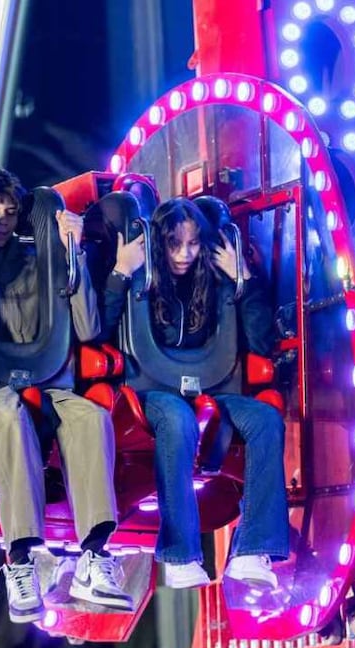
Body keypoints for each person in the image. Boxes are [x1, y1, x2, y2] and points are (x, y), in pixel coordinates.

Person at [0, 166, 131, 623]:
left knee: (90, 417)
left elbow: (89, 327)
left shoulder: (39, 256)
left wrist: (70, 254)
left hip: (47, 380)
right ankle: (20, 563)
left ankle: (94, 556)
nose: (1, 219)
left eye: (10, 210)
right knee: (10, 414)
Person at [103, 196, 288, 589]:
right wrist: (120, 273)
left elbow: (260, 342)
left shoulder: (214, 280)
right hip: (152, 390)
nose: (184, 254)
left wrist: (244, 280)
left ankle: (254, 549)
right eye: (174, 244)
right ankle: (180, 554)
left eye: (193, 244)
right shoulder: (143, 276)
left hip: (212, 384)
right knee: (177, 419)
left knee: (265, 419)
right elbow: (99, 330)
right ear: (160, 243)